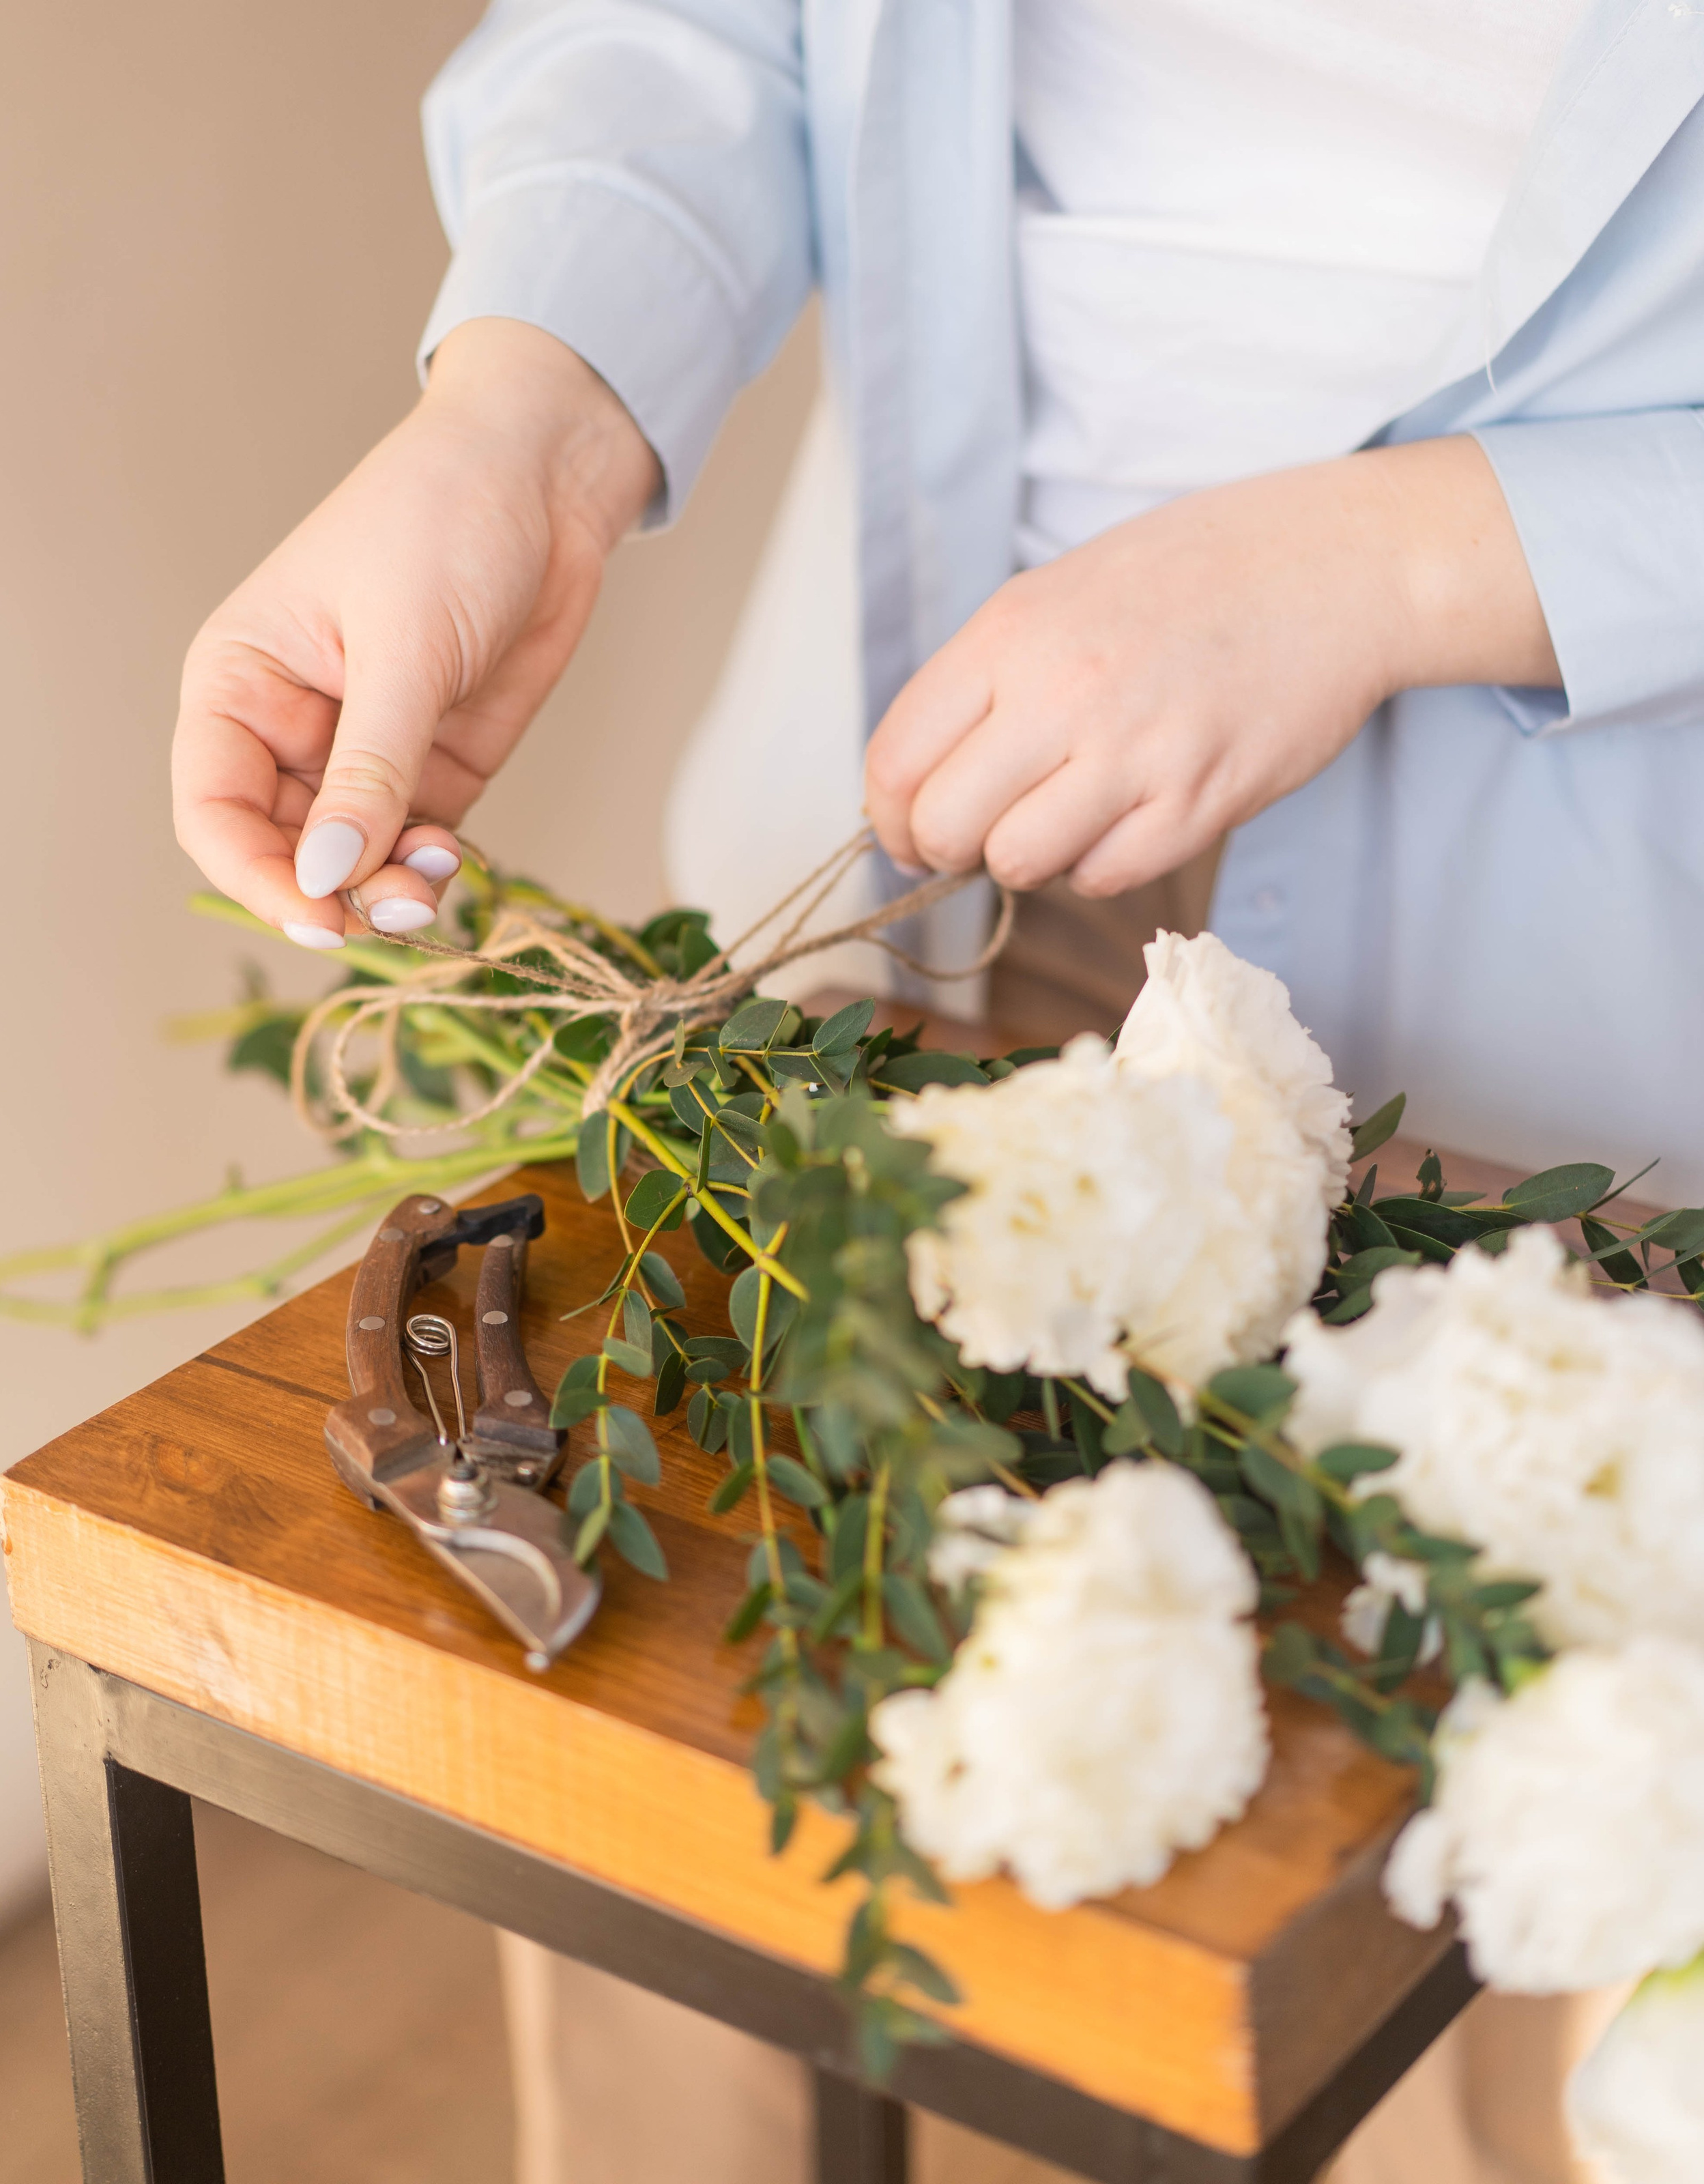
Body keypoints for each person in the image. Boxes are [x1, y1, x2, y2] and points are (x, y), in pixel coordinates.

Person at [171, 3, 1704, 2177]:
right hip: (936, 842)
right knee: (663, 1750)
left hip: (1605, 977)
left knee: (1466, 1896)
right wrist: (522, 406)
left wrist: (1409, 558)